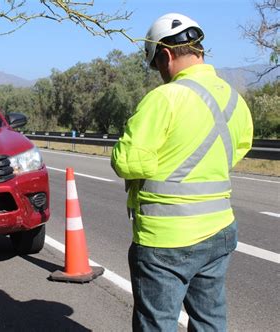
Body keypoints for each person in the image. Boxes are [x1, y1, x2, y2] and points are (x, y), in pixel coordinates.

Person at [111, 13, 253, 331]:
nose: (159, 73)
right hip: (219, 230)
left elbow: (128, 161)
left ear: (165, 55)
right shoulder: (234, 99)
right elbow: (238, 149)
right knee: (209, 321)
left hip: (166, 239)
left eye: (156, 65)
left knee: (158, 323)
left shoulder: (164, 98)